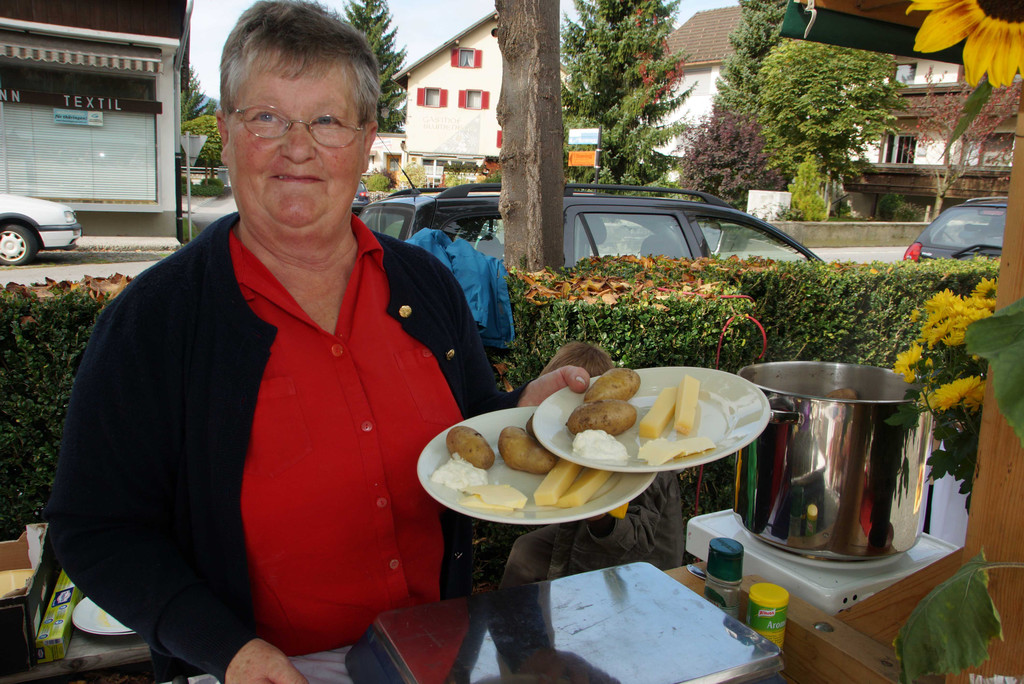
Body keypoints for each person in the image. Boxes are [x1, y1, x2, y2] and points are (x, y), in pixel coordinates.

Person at [43, 3, 588, 683]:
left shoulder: (426, 284)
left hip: (431, 650)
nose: (297, 147)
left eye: (327, 120)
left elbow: (467, 428)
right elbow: (94, 526)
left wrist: (523, 411)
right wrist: (226, 649)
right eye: (267, 117)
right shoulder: (154, 322)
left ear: (366, 142)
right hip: (256, 669)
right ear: (226, 134)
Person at [500, 342, 685, 588]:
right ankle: (510, 612)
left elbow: (638, 541)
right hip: (581, 535)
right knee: (526, 551)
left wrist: (600, 518)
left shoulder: (639, 462)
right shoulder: (576, 445)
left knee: (582, 587)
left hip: (644, 564)